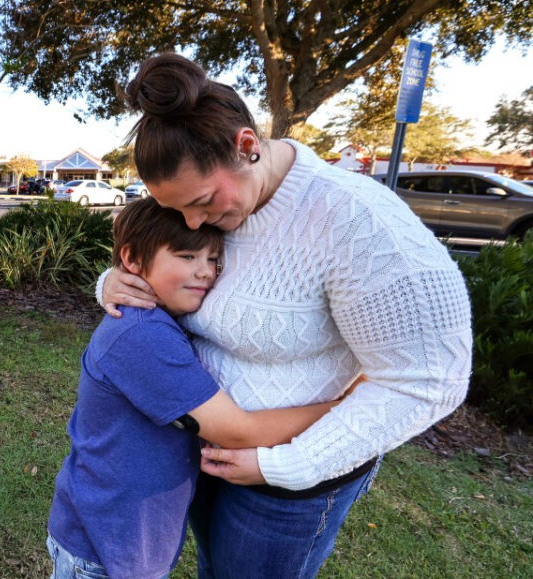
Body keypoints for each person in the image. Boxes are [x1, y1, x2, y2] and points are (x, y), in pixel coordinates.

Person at [99, 53, 472, 578]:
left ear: (247, 146)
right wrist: (115, 280)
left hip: (287, 485)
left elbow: (431, 380)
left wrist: (289, 464)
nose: (192, 221)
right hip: (205, 454)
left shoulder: (359, 225)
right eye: (177, 209)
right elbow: (159, 260)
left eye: (202, 203)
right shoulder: (212, 198)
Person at [48, 197, 356, 579]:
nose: (206, 273)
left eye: (213, 260)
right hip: (106, 549)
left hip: (123, 538)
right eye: (187, 256)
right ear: (131, 259)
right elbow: (236, 430)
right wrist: (344, 405)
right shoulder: (142, 335)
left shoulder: (158, 320)